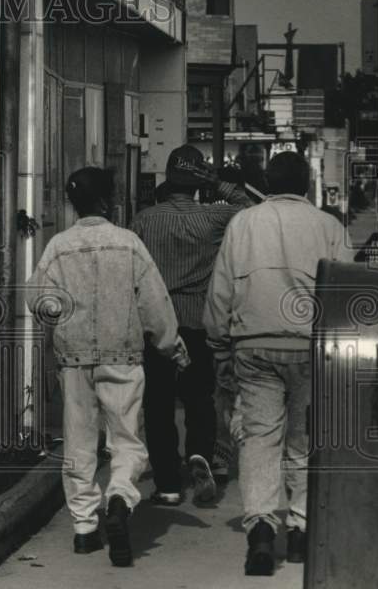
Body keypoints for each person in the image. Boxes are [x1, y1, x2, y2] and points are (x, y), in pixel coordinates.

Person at [27, 166, 189, 568]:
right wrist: (171, 346)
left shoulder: (59, 247)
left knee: (79, 442)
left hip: (73, 358)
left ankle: (84, 529)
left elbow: (38, 298)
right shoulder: (128, 243)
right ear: (107, 200)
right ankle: (118, 497)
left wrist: (60, 318)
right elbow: (155, 304)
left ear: (73, 204)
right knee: (127, 440)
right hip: (123, 357)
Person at [203, 151, 351, 576]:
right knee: (304, 441)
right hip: (312, 348)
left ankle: (262, 533)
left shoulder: (243, 224)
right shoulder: (329, 227)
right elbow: (350, 291)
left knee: (259, 439)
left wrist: (218, 343)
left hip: (253, 346)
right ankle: (302, 531)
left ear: (267, 183)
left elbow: (222, 290)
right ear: (307, 184)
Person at [131, 145, 253, 507]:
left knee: (158, 403)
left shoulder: (144, 220)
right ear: (197, 181)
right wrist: (221, 183)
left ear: (168, 180)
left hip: (157, 323)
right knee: (199, 397)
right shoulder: (213, 220)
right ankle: (200, 455)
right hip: (198, 321)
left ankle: (168, 482)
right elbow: (251, 212)